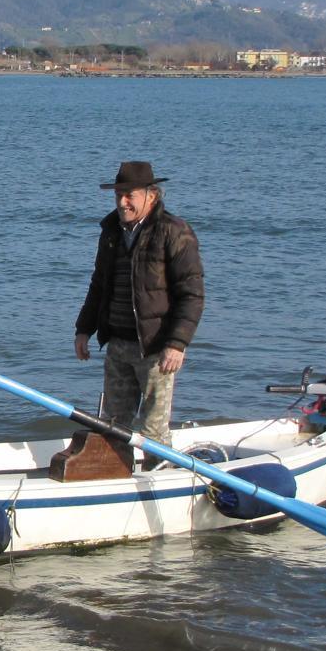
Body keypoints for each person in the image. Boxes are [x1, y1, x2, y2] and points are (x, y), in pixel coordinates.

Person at [73, 160, 204, 465]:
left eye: (130, 195)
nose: (122, 202)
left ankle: (159, 480)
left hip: (157, 349)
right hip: (117, 342)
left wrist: (177, 343)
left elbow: (192, 294)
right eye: (119, 194)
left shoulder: (174, 231)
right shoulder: (111, 232)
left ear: (152, 195)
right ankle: (115, 477)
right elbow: (98, 285)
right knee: (112, 423)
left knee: (153, 429)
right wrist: (84, 329)